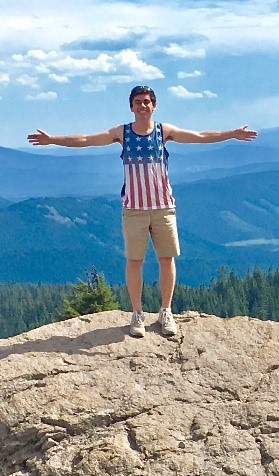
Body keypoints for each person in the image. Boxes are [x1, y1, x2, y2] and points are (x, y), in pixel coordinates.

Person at [28, 85, 257, 338]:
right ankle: (137, 313)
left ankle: (165, 311)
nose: (142, 105)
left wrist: (232, 134)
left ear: (154, 105)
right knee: (134, 261)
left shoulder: (164, 131)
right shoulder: (122, 133)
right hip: (134, 209)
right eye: (138, 102)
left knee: (166, 259)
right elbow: (86, 140)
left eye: (147, 101)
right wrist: (52, 140)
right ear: (131, 106)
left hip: (163, 207)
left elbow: (200, 136)